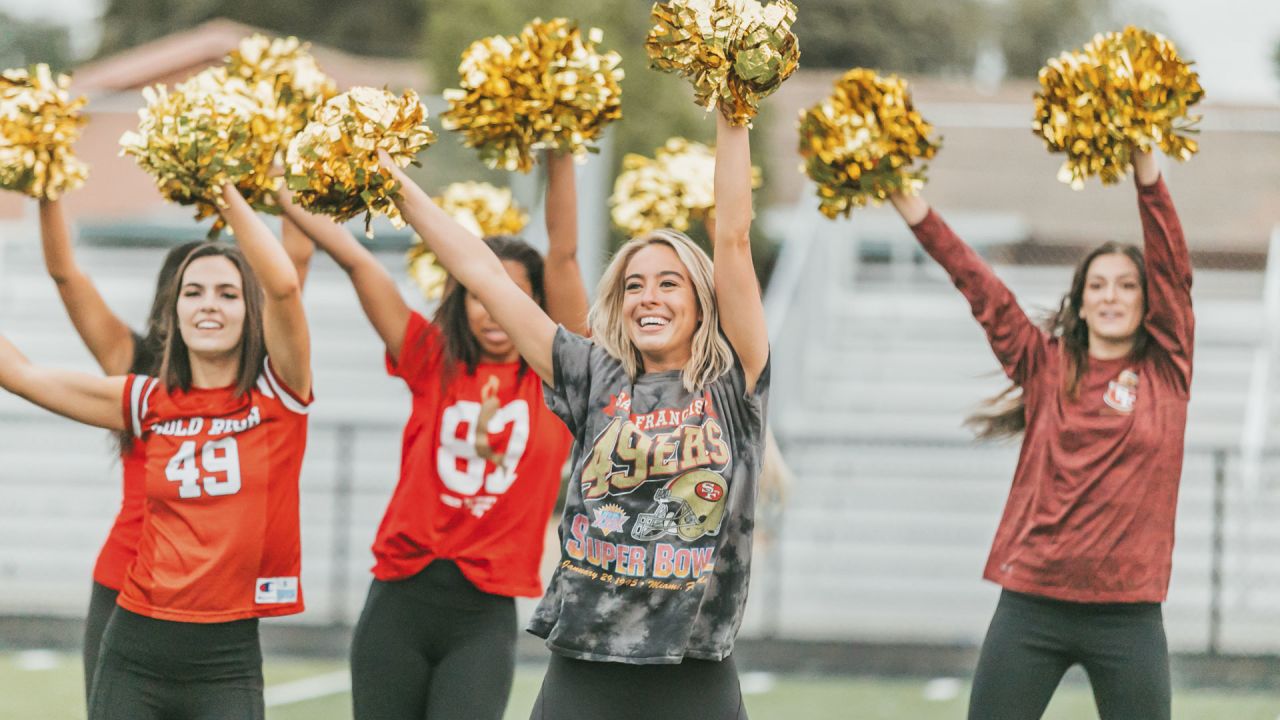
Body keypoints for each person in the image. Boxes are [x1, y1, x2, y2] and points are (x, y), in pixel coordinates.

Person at [382, 107, 768, 720]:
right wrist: (396, 186)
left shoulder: (732, 382)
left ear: (702, 299)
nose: (649, 296)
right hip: (585, 666)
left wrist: (733, 111)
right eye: (634, 284)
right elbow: (482, 272)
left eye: (669, 283)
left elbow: (733, 239)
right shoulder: (592, 372)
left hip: (694, 670)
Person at [278, 152, 587, 720]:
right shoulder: (431, 360)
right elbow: (357, 262)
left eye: (509, 297)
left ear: (536, 306)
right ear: (460, 298)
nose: (493, 311)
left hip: (483, 615)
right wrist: (283, 187)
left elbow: (564, 255)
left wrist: (559, 148)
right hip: (399, 600)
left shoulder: (560, 381)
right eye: (479, 294)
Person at [887, 149, 1192, 720]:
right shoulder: (1044, 365)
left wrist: (1144, 166)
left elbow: (1172, 265)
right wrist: (907, 200)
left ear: (1148, 302)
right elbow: (976, 282)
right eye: (1097, 285)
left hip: (1128, 615)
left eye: (1127, 285)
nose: (1111, 296)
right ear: (1078, 302)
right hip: (1032, 604)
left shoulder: (1167, 372)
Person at [0, 183, 312, 720]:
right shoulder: (147, 397)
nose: (208, 305)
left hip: (226, 655)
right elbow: (23, 376)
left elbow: (284, 283)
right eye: (192, 292)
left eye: (227, 293)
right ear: (174, 309)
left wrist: (228, 192)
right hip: (135, 641)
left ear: (248, 310)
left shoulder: (280, 394)